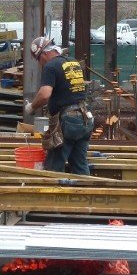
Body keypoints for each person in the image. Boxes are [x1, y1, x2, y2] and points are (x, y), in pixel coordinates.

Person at [24, 36, 93, 175]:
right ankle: (86, 192)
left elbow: (44, 94)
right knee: (79, 164)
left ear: (44, 53)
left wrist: (31, 107)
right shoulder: (74, 63)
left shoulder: (50, 66)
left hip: (68, 121)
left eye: (39, 59)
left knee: (54, 165)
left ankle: (52, 195)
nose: (40, 63)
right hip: (85, 118)